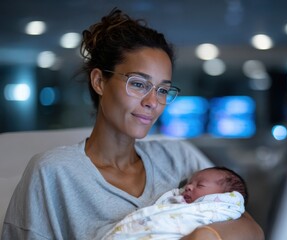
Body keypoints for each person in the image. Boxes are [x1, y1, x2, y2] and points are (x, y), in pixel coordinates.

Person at [1, 8, 264, 240]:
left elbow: (252, 229)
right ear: (99, 81)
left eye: (163, 90)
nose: (153, 102)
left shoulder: (178, 157)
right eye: (139, 84)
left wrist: (205, 235)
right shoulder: (53, 173)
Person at [102, 167, 248, 239]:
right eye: (190, 183)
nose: (188, 186)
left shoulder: (220, 210)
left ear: (224, 198)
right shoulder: (178, 204)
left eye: (200, 185)